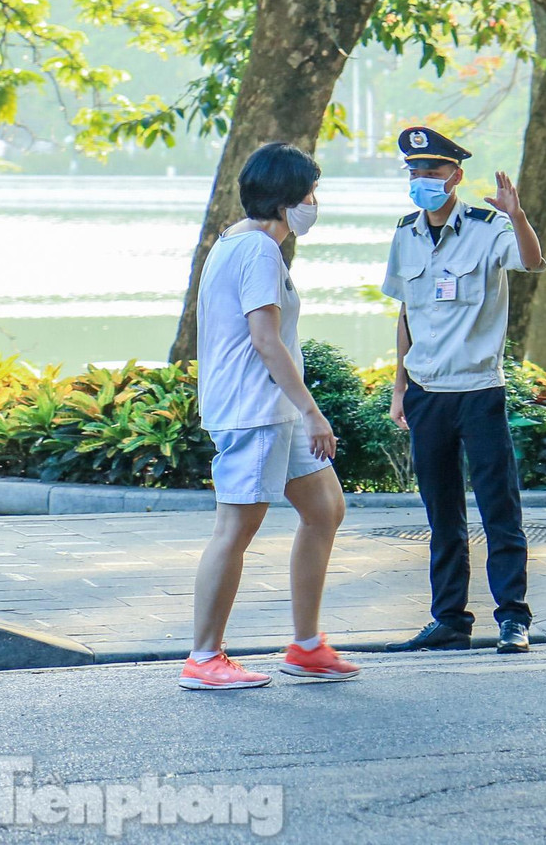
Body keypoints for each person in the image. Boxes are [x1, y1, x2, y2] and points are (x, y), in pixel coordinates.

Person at [181, 141, 360, 689]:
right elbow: (264, 339)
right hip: (255, 411)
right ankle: (203, 657)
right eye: (309, 192)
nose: (313, 201)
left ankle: (306, 646)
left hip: (273, 411)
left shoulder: (233, 242)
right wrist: (314, 413)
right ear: (287, 201)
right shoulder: (257, 250)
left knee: (326, 509)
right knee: (236, 527)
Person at [381, 126, 546, 654]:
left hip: (478, 389)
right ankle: (450, 618)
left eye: (431, 171)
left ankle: (513, 618)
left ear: (455, 175)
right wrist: (399, 387)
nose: (422, 180)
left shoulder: (489, 226)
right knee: (441, 513)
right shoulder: (405, 234)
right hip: (427, 391)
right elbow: (406, 312)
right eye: (415, 172)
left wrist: (517, 215)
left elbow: (532, 262)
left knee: (500, 508)